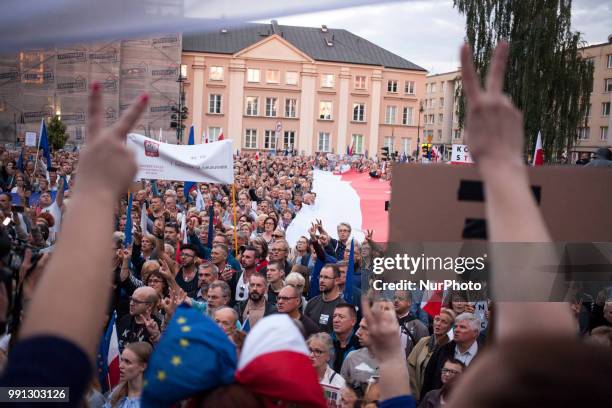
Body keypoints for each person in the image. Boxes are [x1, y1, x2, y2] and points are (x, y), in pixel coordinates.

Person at [420, 312, 481, 397]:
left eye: (462, 327)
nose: (456, 330)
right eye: (455, 326)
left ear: (475, 333)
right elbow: (428, 380)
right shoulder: (442, 350)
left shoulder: (486, 356)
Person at [408, 308, 455, 401]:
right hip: (414, 396)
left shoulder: (449, 348)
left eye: (444, 322)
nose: (438, 324)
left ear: (450, 327)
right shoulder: (423, 341)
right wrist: (415, 393)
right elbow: (410, 366)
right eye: (437, 319)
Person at [104, 342, 152, 408]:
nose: (120, 366)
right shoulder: (116, 393)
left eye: (127, 362)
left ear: (143, 366)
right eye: (122, 360)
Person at [340, 316, 380, 394]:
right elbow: (341, 392)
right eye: (359, 327)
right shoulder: (352, 357)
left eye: (364, 328)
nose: (358, 332)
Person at [116, 286, 162, 352]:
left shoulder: (155, 326)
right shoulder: (124, 319)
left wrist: (156, 336)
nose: (131, 303)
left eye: (136, 301)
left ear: (149, 306)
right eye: (131, 299)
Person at [307, 332, 346, 406]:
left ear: (328, 356)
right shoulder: (298, 376)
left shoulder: (338, 383)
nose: (311, 355)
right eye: (310, 350)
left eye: (318, 351)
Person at [305, 264, 344, 333]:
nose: (321, 280)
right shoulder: (311, 303)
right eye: (320, 277)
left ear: (336, 281)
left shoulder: (342, 307)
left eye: (326, 277)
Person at [331, 303, 360, 373]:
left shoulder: (359, 345)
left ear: (353, 321)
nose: (336, 320)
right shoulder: (325, 342)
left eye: (341, 317)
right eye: (334, 316)